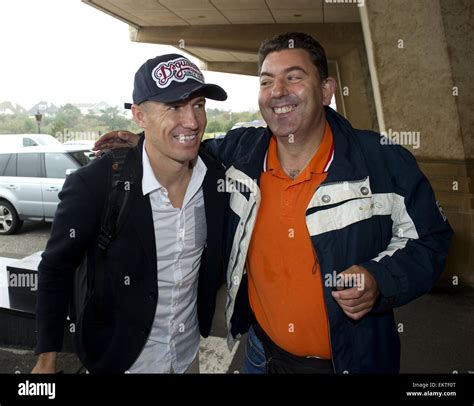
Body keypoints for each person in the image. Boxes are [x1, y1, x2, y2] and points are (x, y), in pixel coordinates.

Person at [94, 32, 453, 373]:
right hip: (261, 356)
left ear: (327, 90)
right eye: (266, 81)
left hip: (352, 361)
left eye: (293, 77)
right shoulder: (239, 155)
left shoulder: (382, 160)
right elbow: (184, 147)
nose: (277, 92)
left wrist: (379, 278)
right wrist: (144, 142)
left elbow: (432, 240)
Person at [32, 53, 227, 374]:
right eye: (174, 107)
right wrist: (46, 360)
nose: (192, 121)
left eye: (199, 105)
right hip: (121, 360)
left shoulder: (216, 178)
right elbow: (55, 268)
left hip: (188, 354)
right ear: (140, 115)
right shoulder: (95, 184)